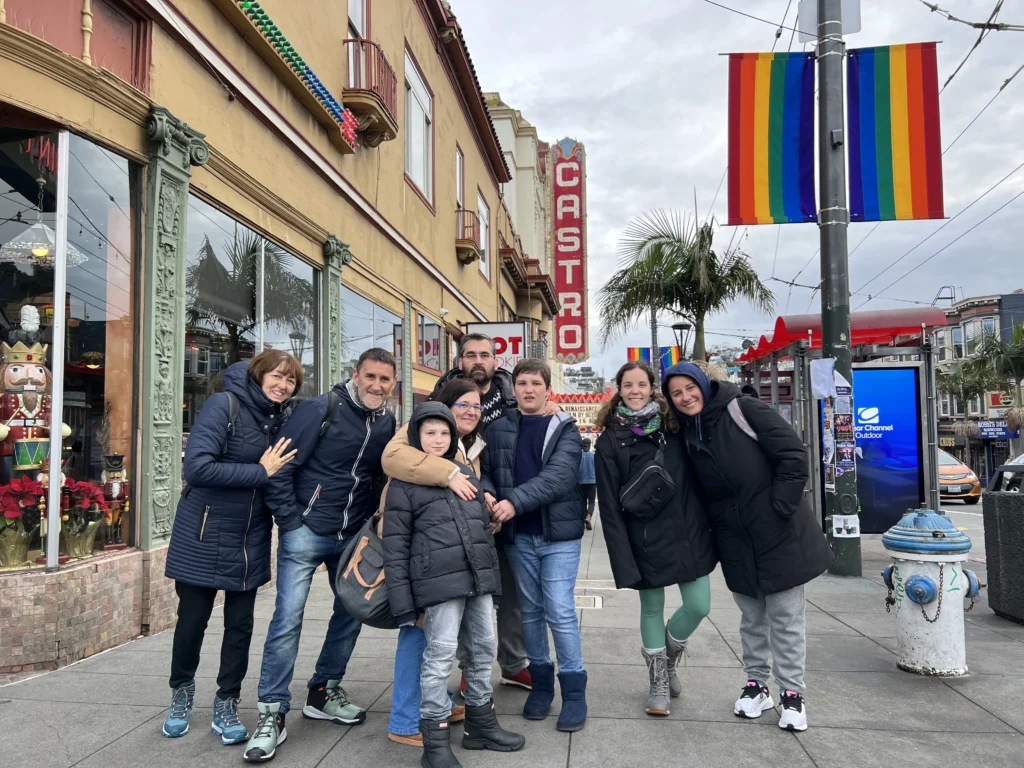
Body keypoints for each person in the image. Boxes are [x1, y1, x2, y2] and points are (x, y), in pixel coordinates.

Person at [244, 349, 397, 763]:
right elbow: (280, 467)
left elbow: (379, 476)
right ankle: (272, 712)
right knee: (287, 619)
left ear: (393, 384)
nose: (377, 385)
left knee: (352, 612)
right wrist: (292, 522)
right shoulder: (320, 408)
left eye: (385, 379)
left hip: (352, 536)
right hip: (307, 531)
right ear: (356, 374)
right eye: (371, 376)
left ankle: (323, 690)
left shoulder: (386, 421)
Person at [662, 361, 832, 732]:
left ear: (704, 384)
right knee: (752, 620)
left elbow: (793, 456)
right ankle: (757, 685)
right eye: (676, 393)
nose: (685, 397)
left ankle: (792, 693)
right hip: (734, 540)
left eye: (690, 388)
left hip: (778, 534)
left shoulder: (743, 409)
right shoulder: (689, 431)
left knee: (786, 619)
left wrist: (779, 508)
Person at [162, 351, 301, 743]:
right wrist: (260, 471)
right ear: (259, 374)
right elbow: (198, 468)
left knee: (239, 628)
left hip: (249, 537)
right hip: (203, 534)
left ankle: (227, 701)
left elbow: (281, 481)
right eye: (277, 376)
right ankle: (182, 692)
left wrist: (295, 525)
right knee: (192, 623)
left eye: (291, 381)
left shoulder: (282, 420)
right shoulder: (224, 404)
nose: (283, 385)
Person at [383, 402, 525, 767]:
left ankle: (481, 724)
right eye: (429, 432)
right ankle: (435, 739)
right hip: (438, 583)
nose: (438, 439)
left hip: (476, 579)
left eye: (444, 433)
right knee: (440, 655)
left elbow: (481, 532)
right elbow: (395, 545)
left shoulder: (464, 473)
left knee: (482, 649)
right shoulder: (405, 483)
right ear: (417, 436)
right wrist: (402, 602)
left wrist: (491, 578)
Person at [593, 361, 716, 717]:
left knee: (699, 606)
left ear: (651, 388)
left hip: (687, 531)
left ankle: (669, 660)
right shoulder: (609, 441)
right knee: (651, 608)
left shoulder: (674, 425)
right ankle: (658, 679)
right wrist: (621, 556)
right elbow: (609, 506)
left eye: (641, 384)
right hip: (642, 537)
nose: (634, 391)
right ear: (618, 388)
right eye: (627, 385)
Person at [481, 359, 588, 733]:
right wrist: (489, 493)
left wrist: (513, 502)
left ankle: (574, 691)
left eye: (535, 383)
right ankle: (541, 686)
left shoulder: (566, 430)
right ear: (514, 389)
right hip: (517, 536)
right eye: (522, 383)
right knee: (530, 611)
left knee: (558, 609)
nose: (528, 389)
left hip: (558, 536)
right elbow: (485, 471)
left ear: (547, 389)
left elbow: (558, 478)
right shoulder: (496, 429)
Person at [379, 378, 488, 747]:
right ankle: (407, 719)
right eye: (463, 405)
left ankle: (437, 703)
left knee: (436, 637)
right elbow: (393, 459)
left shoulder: (461, 445)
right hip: (419, 558)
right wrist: (451, 473)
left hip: (449, 560)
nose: (471, 411)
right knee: (418, 635)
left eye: (476, 405)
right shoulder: (413, 439)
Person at [429, 333, 532, 691]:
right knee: (464, 594)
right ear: (460, 361)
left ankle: (514, 662)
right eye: (470, 354)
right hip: (458, 513)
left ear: (494, 361)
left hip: (505, 507)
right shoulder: (440, 400)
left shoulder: (511, 399)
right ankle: (467, 667)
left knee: (511, 594)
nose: (477, 360)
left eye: (484, 355)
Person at [578, 438, 596, 530]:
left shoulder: (578, 456)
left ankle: (584, 519)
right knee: (592, 502)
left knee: (583, 502)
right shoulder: (593, 456)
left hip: (581, 482)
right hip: (592, 482)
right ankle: (588, 517)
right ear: (590, 445)